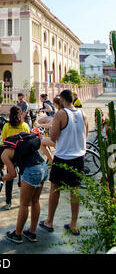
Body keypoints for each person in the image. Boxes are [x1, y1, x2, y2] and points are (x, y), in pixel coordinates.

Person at [39, 89, 88, 236]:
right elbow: (84, 136)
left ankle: (49, 221)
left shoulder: (61, 114)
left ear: (62, 100)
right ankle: (74, 224)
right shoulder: (83, 114)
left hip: (63, 157)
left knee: (55, 189)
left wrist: (42, 140)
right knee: (75, 190)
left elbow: (53, 138)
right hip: (79, 157)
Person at [0, 131, 48, 243]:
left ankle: (17, 234)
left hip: (32, 170)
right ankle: (32, 233)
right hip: (43, 167)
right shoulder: (16, 145)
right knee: (35, 201)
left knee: (23, 204)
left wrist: (0, 178)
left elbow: (13, 174)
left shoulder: (4, 154)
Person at [0, 106, 30, 210]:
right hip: (22, 155)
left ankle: (8, 202)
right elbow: (28, 139)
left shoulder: (7, 126)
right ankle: (25, 201)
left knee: (9, 178)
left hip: (10, 156)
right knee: (24, 178)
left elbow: (3, 140)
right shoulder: (25, 125)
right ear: (20, 114)